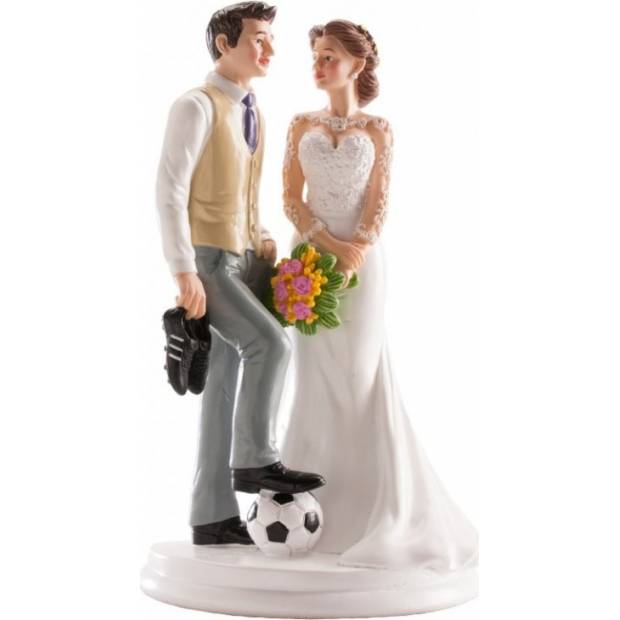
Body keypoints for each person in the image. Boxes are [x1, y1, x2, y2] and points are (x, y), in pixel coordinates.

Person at [279, 19, 479, 571]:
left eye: (330, 56)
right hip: (309, 259)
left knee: (358, 374)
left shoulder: (379, 130)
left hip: (363, 265)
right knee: (314, 374)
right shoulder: (300, 124)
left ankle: (369, 507)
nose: (319, 66)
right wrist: (327, 245)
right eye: (316, 56)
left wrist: (358, 249)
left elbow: (378, 202)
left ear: (357, 64)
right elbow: (291, 199)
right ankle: (309, 506)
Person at [155, 2, 325, 547]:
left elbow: (241, 192)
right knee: (270, 345)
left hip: (245, 259)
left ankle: (210, 515)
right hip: (209, 261)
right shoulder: (195, 105)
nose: (269, 48)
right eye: (258, 38)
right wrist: (183, 269)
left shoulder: (251, 108)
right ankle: (255, 459)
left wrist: (262, 236)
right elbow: (170, 191)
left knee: (222, 390)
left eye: (271, 38)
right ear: (225, 43)